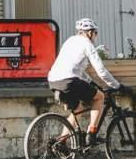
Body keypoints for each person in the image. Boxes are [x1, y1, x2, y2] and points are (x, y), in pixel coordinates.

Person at [47, 17, 122, 151]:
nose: (95, 36)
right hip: (69, 80)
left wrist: (91, 82)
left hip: (54, 80)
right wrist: (117, 85)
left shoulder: (70, 41)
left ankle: (61, 142)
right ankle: (91, 134)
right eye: (95, 33)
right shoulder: (87, 43)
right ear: (90, 32)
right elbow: (101, 70)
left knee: (78, 109)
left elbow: (77, 69)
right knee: (100, 97)